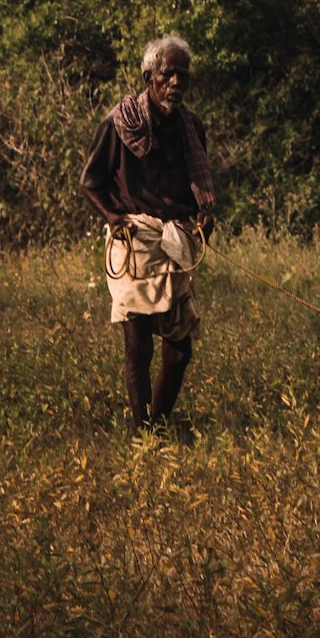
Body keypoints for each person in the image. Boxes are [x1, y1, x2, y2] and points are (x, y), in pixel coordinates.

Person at [80, 35, 215, 432]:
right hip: (132, 241)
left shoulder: (191, 127)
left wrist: (204, 215)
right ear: (148, 77)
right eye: (166, 74)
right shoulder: (119, 123)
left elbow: (196, 187)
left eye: (182, 76)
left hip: (175, 242)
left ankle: (156, 427)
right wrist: (112, 218)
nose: (175, 82)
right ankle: (143, 437)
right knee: (137, 346)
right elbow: (90, 181)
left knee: (179, 351)